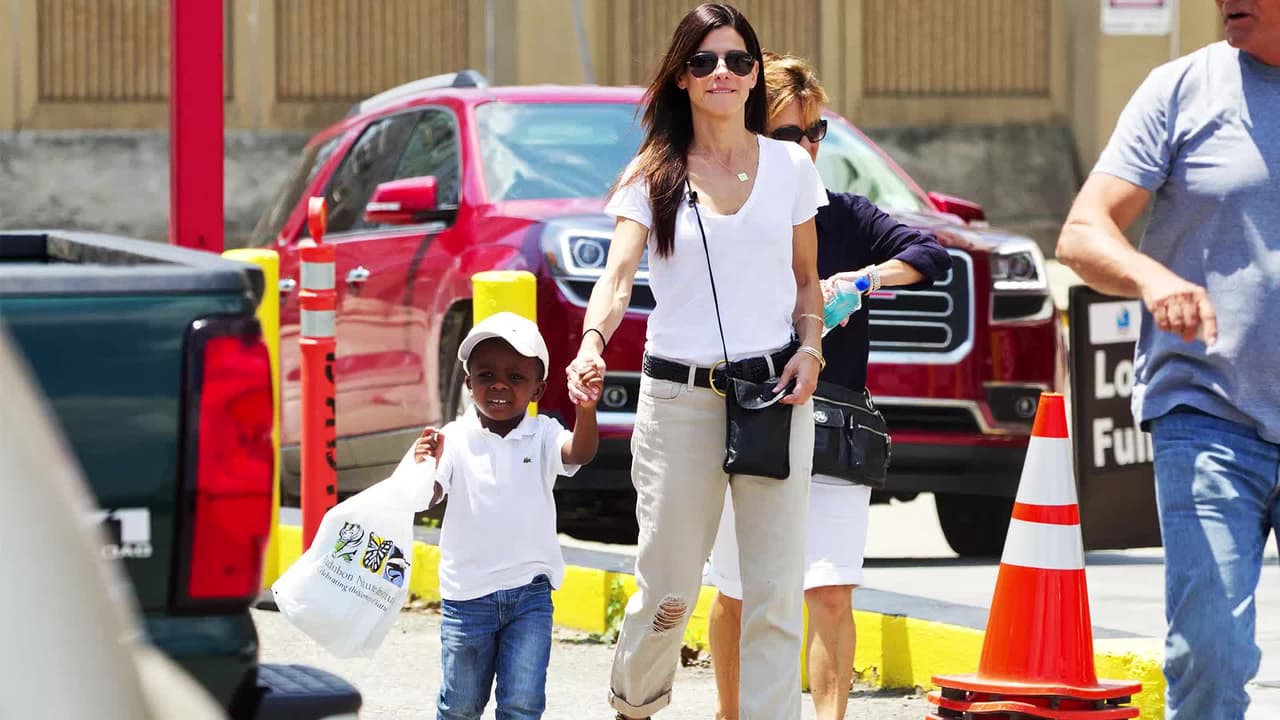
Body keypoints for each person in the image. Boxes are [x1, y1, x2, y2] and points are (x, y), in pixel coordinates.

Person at [564, 4, 828, 718]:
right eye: (704, 61)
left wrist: (810, 349)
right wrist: (591, 343)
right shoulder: (654, 172)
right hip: (679, 403)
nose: (722, 74)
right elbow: (618, 278)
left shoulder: (790, 167)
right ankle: (636, 706)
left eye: (738, 61)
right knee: (669, 590)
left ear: (754, 74)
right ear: (681, 76)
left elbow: (807, 280)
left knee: (775, 591)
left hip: (773, 393)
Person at [704, 51, 949, 720]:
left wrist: (864, 279)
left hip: (834, 424)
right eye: (790, 133)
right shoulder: (725, 216)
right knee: (737, 591)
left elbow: (930, 252)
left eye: (817, 132)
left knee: (832, 591)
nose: (808, 146)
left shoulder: (846, 216)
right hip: (750, 418)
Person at [1055, 2, 1279, 717]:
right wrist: (1151, 278)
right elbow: (1083, 231)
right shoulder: (1182, 88)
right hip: (1208, 414)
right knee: (1208, 656)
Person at [413, 311, 599, 720]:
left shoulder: (544, 433)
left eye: (516, 377)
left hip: (530, 594)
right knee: (460, 706)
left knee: (522, 704)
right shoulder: (453, 439)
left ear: (538, 389)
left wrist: (586, 410)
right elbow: (429, 495)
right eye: (486, 375)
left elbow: (580, 453)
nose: (499, 385)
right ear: (468, 383)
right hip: (467, 596)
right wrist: (423, 466)